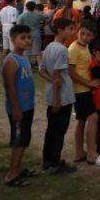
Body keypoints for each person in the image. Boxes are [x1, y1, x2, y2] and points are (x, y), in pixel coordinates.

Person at [38, 17, 77, 174]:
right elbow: (56, 74)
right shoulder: (61, 50)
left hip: (53, 94)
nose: (72, 32)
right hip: (61, 97)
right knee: (59, 131)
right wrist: (56, 98)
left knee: (51, 129)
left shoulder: (49, 47)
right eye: (70, 29)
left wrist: (51, 82)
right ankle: (55, 163)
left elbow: (42, 71)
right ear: (60, 30)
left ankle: (47, 160)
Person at [2, 25, 36, 187]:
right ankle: (12, 175)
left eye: (28, 37)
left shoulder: (24, 57)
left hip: (28, 106)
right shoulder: (11, 60)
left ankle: (19, 168)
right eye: (22, 38)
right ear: (13, 40)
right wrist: (16, 108)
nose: (27, 40)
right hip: (18, 108)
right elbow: (10, 87)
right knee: (18, 141)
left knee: (24, 139)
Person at [68, 20, 100, 165]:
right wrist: (89, 83)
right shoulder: (74, 48)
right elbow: (71, 72)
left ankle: (79, 152)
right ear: (77, 31)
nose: (84, 37)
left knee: (81, 120)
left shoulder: (85, 47)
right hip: (80, 91)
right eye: (82, 33)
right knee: (92, 118)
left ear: (93, 36)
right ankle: (91, 153)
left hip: (85, 90)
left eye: (88, 35)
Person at [17, 0, 49, 67]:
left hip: (26, 35)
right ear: (35, 7)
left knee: (26, 52)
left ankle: (27, 67)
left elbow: (18, 25)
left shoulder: (22, 15)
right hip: (36, 34)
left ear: (26, 7)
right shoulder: (38, 14)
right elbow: (46, 17)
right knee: (38, 53)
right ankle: (40, 67)